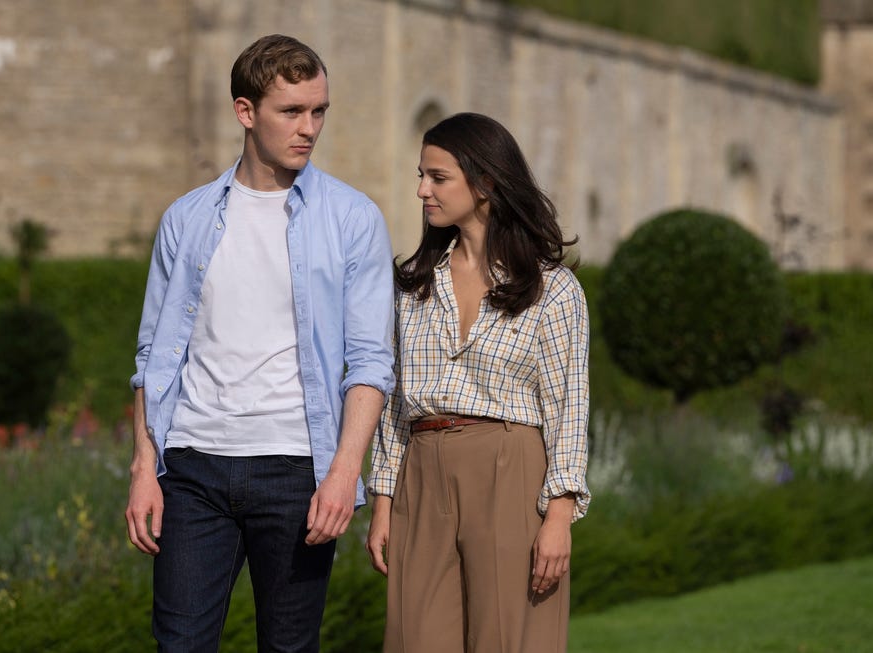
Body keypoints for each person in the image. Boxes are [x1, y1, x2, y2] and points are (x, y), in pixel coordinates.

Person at [125, 34, 395, 652]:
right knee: (180, 645)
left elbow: (371, 363)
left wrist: (343, 471)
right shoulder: (186, 218)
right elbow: (151, 359)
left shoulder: (353, 220)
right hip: (192, 467)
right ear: (246, 112)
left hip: (296, 471)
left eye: (319, 110)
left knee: (289, 648)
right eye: (291, 112)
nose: (309, 128)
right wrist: (145, 467)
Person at [366, 112, 590, 653]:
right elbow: (395, 402)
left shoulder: (552, 290)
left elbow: (570, 407)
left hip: (508, 468)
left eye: (438, 177)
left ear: (486, 182)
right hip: (422, 472)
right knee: (413, 638)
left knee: (508, 640)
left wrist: (559, 516)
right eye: (421, 175)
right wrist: (383, 500)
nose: (422, 190)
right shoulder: (414, 285)